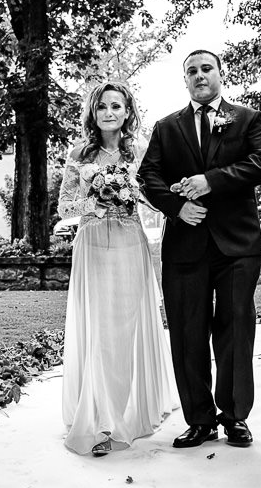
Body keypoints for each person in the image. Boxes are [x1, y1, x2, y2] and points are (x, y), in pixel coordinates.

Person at [139, 50, 261, 449]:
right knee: (187, 333)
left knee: (235, 329)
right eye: (191, 71)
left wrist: (209, 181)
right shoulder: (166, 127)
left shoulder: (247, 118)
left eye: (206, 68)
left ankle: (234, 417)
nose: (199, 75)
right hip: (185, 247)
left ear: (220, 73)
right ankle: (199, 420)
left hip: (237, 245)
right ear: (185, 80)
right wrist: (178, 206)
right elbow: (149, 176)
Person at [58, 81, 175, 456]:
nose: (109, 112)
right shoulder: (79, 152)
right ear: (93, 113)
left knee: (124, 330)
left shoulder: (140, 150)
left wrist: (130, 191)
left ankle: (125, 413)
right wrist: (94, 203)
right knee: (99, 331)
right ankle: (100, 420)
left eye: (117, 106)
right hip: (92, 246)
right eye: (102, 107)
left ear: (128, 112)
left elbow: (155, 199)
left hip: (128, 244)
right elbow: (64, 209)